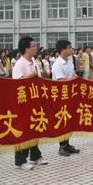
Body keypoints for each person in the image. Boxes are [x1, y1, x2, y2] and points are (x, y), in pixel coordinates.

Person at [13, 36, 49, 169]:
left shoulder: (34, 61)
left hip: (35, 100)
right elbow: (17, 83)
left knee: (34, 128)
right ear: (26, 48)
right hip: (24, 103)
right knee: (23, 130)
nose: (35, 48)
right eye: (33, 46)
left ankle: (35, 156)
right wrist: (31, 76)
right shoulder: (20, 64)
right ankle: (20, 160)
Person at [52, 40, 81, 156]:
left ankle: (67, 144)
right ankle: (61, 146)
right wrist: (74, 79)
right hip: (61, 97)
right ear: (63, 50)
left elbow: (73, 75)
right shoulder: (57, 65)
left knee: (69, 121)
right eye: (69, 47)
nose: (72, 49)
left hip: (70, 96)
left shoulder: (69, 61)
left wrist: (78, 79)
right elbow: (61, 81)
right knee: (62, 121)